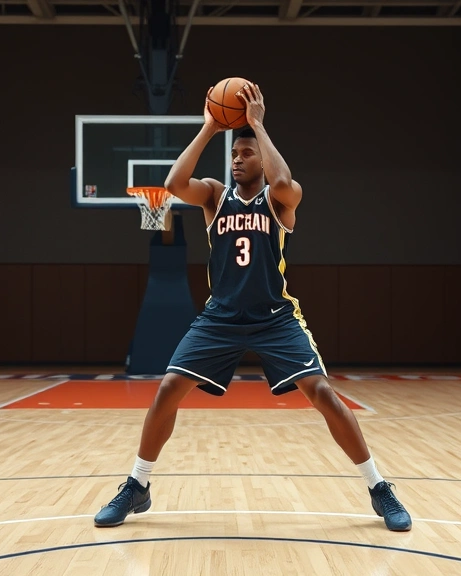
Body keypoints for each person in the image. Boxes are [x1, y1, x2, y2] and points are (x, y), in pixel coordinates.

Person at [93, 82, 411, 532]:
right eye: (234, 154)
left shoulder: (281, 199)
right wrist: (208, 127)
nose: (236, 159)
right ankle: (137, 485)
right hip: (219, 317)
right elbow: (172, 184)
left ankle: (379, 488)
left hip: (275, 317)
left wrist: (257, 125)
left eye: (245, 154)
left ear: (261, 155)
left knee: (323, 394)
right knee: (167, 389)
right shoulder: (214, 196)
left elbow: (283, 182)